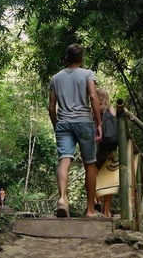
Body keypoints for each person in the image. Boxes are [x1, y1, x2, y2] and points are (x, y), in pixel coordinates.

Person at [48, 43, 102, 218]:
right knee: (90, 164)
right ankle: (90, 210)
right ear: (82, 59)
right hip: (84, 122)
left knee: (64, 159)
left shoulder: (56, 78)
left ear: (67, 58)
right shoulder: (87, 74)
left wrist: (57, 125)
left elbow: (51, 107)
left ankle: (63, 199)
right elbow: (93, 96)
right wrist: (98, 122)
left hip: (63, 123)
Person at [94, 89, 118, 217]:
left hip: (101, 151)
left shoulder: (95, 113)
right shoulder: (111, 110)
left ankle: (100, 205)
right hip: (111, 153)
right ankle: (106, 210)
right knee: (108, 181)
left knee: (100, 179)